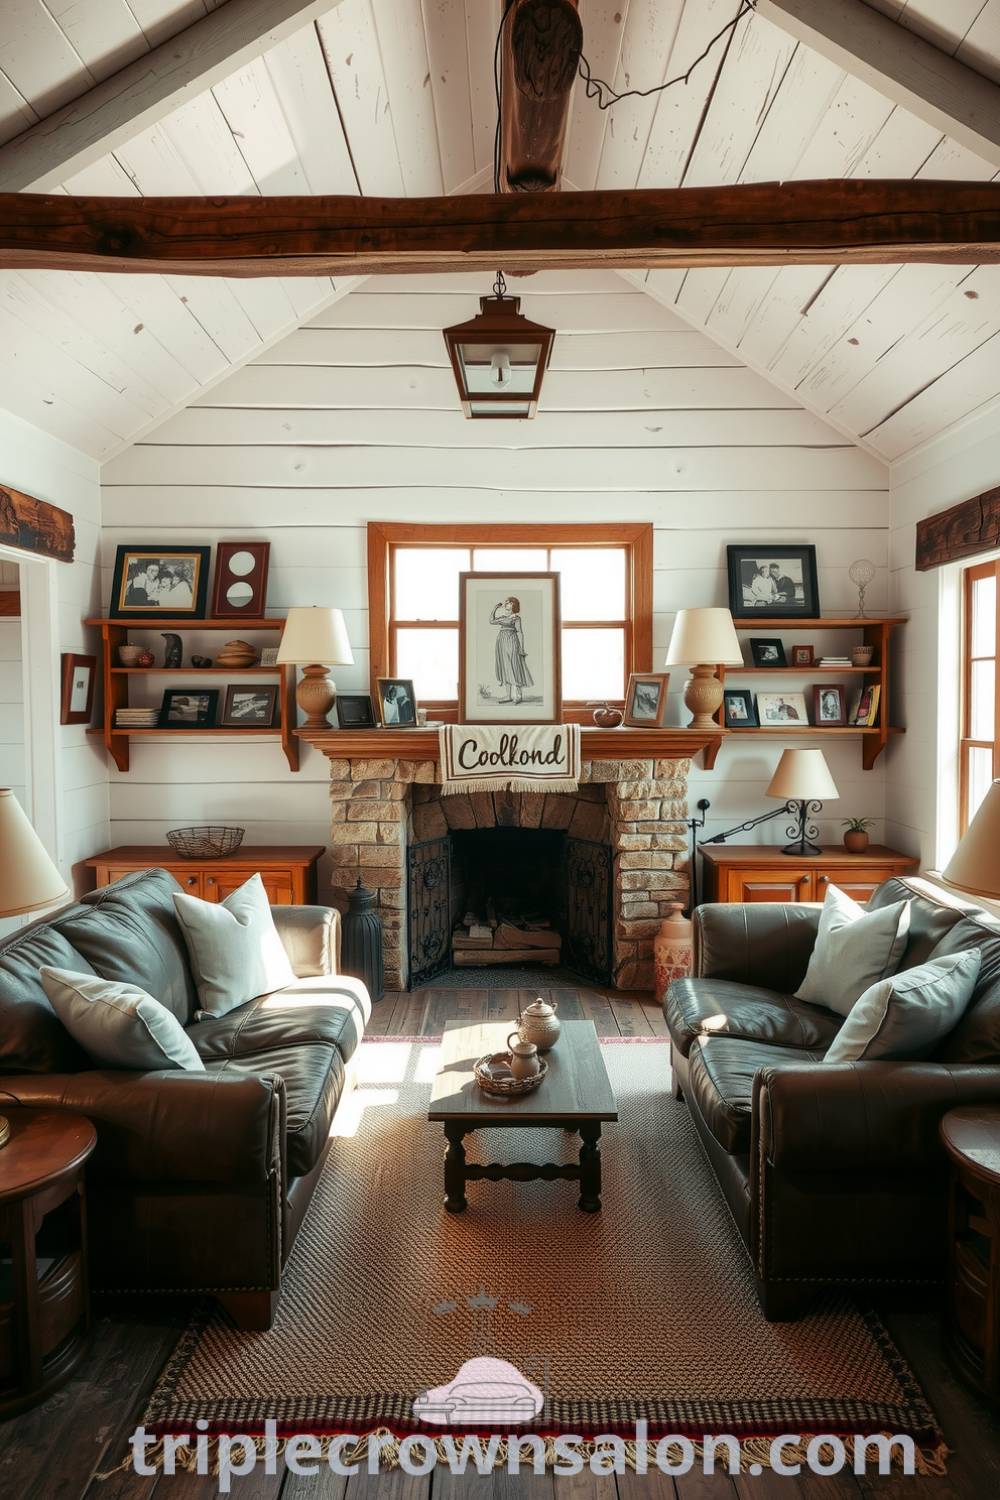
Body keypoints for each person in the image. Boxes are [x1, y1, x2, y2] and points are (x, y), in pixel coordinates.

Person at [490, 597, 532, 704]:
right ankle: (508, 696)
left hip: (512, 642)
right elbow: (491, 621)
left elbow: (520, 632)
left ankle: (518, 696)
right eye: (506, 602)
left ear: (513, 605)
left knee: (514, 666)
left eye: (508, 602)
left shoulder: (516, 618)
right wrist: (494, 608)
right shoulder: (503, 617)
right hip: (501, 642)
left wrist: (522, 648)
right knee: (505, 667)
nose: (506, 603)